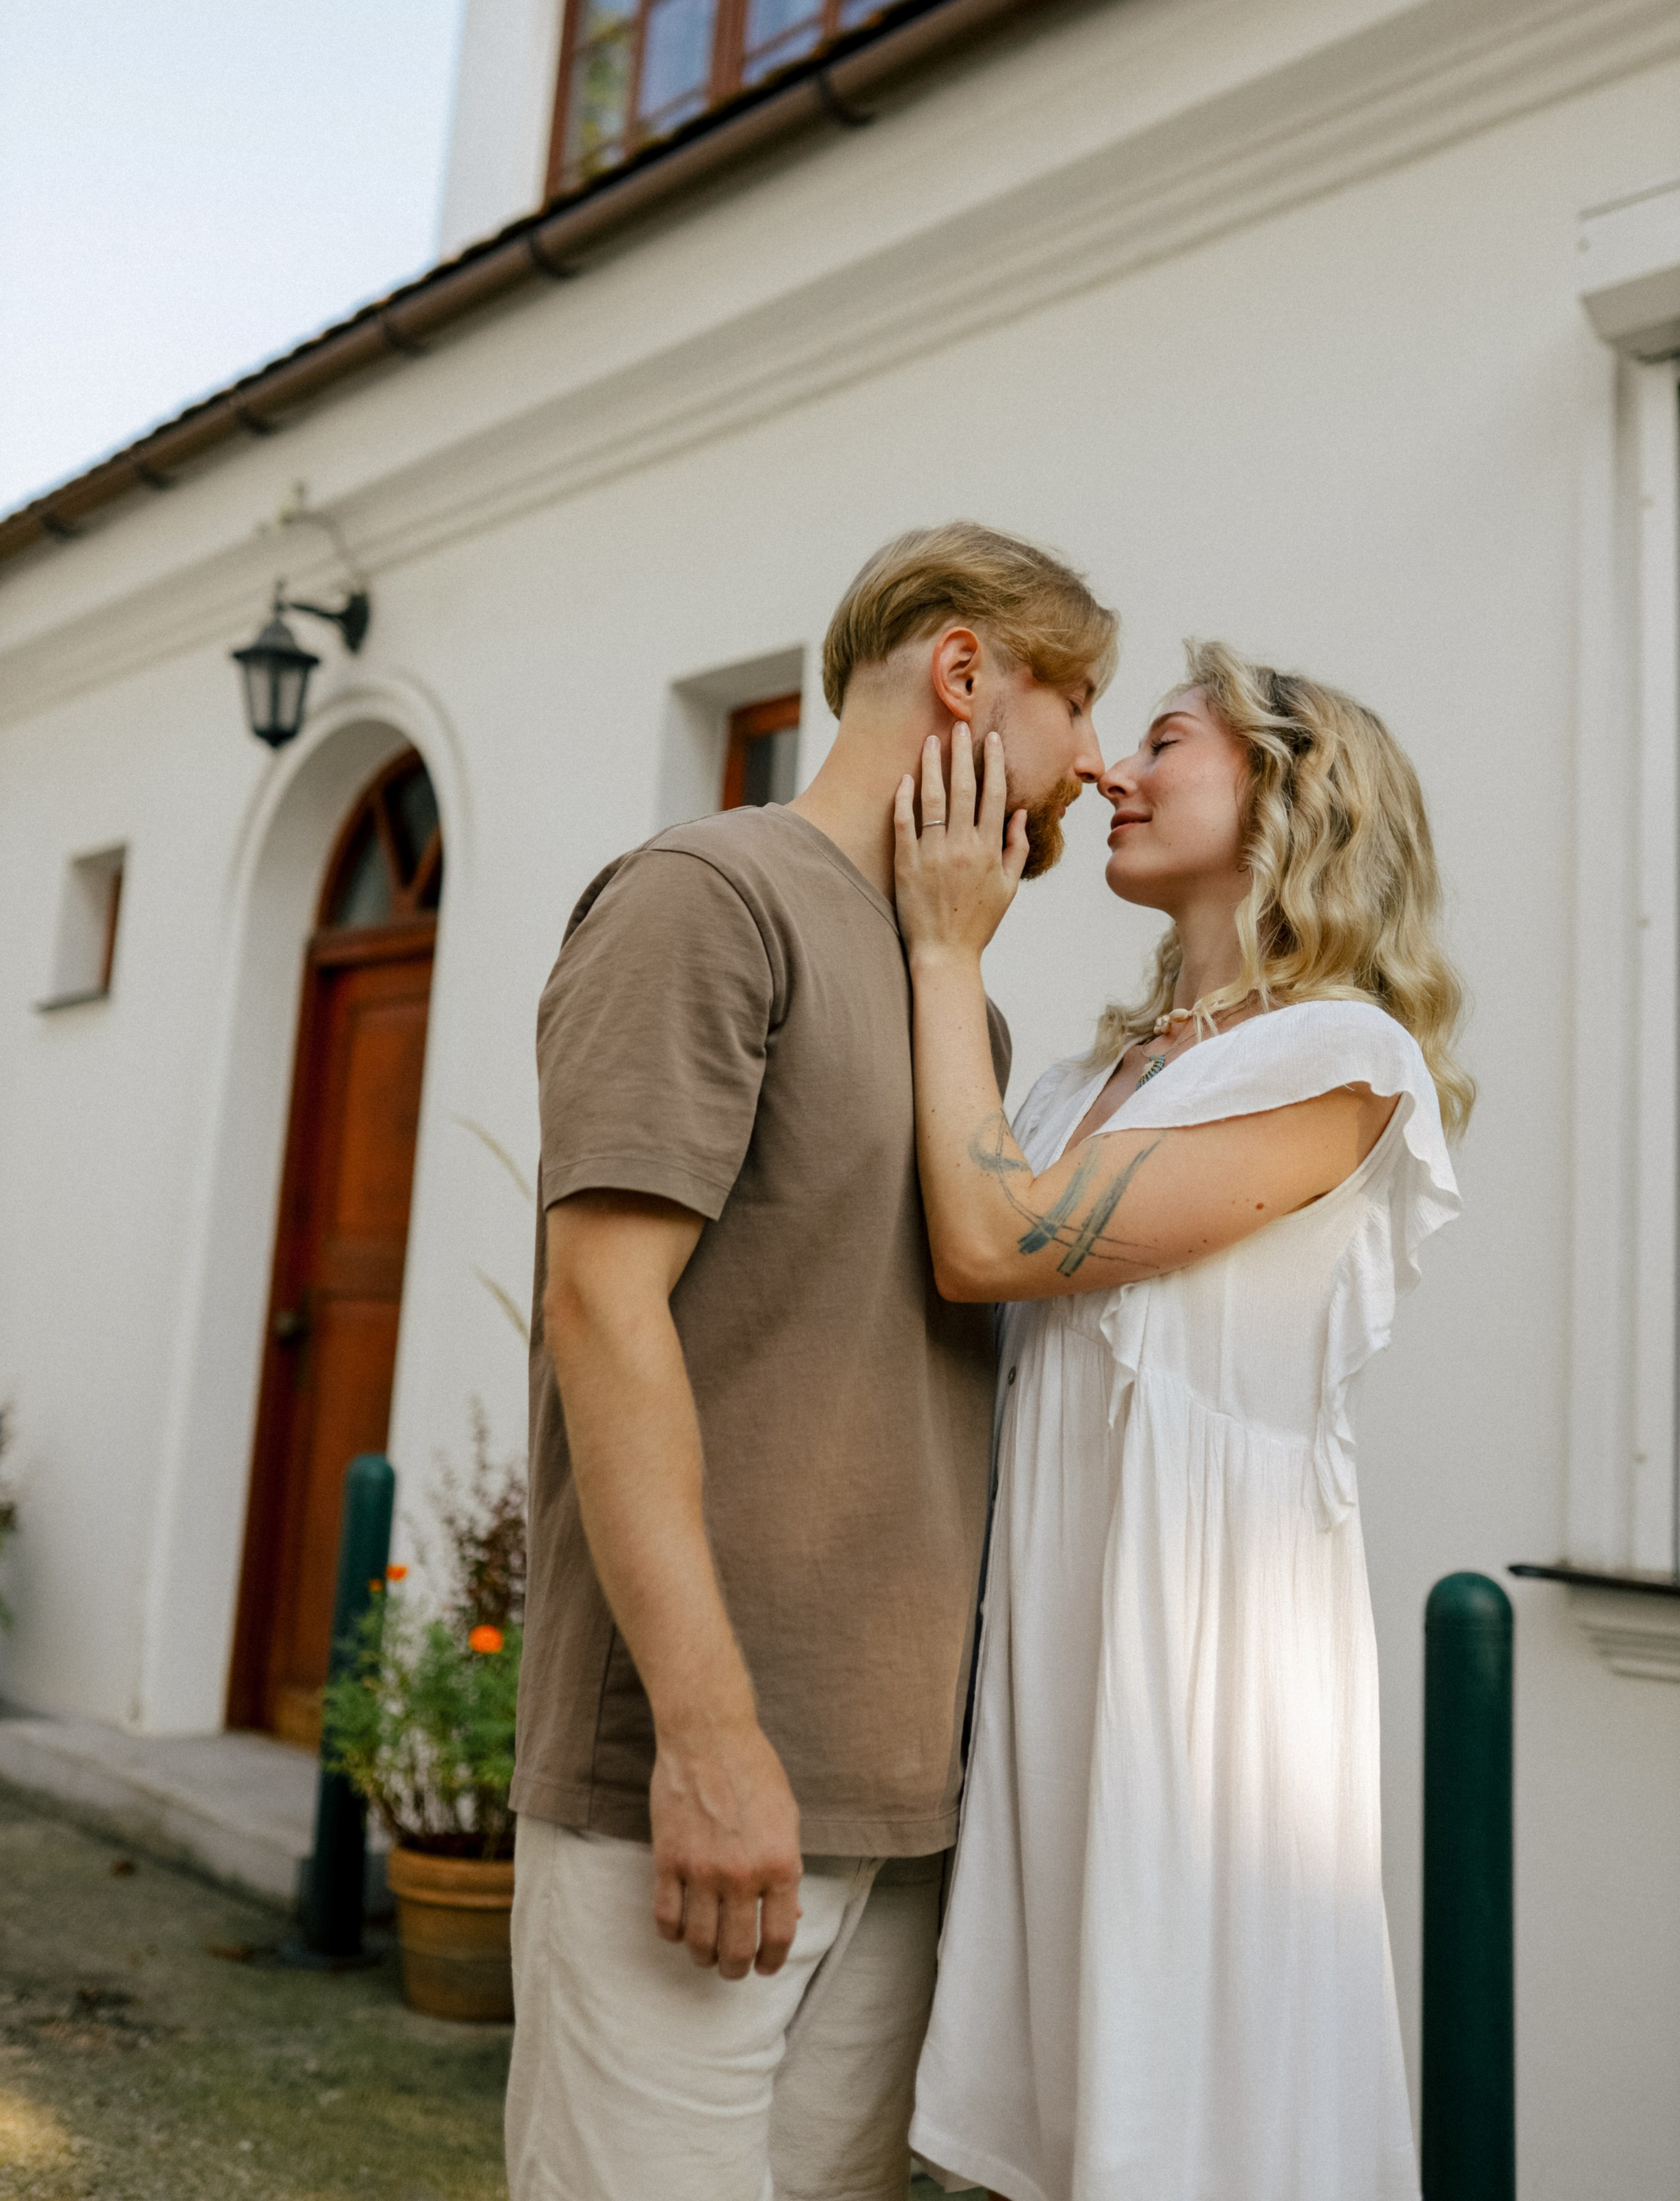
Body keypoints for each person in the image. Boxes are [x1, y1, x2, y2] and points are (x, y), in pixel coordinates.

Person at [504, 523, 1118, 2201]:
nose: (1094, 761)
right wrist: (708, 1736)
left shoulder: (959, 1006)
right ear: (966, 670)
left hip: (898, 1804)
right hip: (693, 1786)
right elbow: (600, 1308)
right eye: (1078, 703)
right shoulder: (706, 899)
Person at [898, 642, 1472, 2201]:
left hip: (1209, 1676)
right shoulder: (1071, 1083)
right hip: (1054, 1645)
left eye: (1161, 742)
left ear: (1289, 787)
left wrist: (945, 951)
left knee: (1199, 2121)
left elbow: (992, 1241)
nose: (1110, 773)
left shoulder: (1340, 1058)